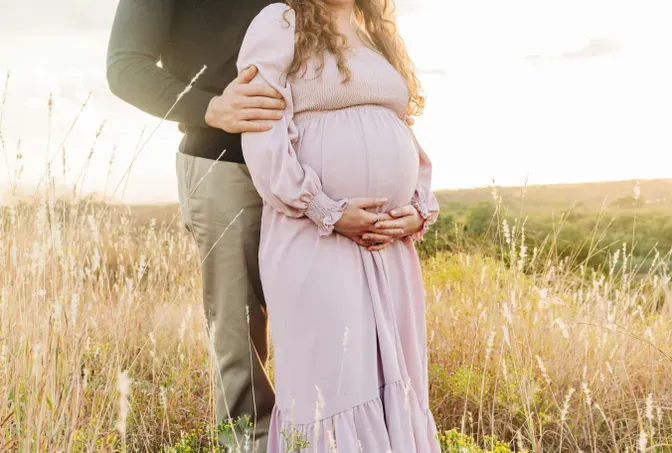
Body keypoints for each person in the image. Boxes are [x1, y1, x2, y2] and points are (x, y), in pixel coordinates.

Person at [105, 1, 427, 450]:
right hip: (224, 163)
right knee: (239, 328)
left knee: (333, 333)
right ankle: (248, 444)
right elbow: (124, 67)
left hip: (314, 176)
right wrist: (210, 107)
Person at [237, 1, 441, 451]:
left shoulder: (376, 29)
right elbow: (261, 132)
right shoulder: (280, 22)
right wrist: (325, 208)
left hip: (389, 247)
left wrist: (418, 209)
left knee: (395, 377)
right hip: (313, 233)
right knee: (330, 384)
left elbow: (402, 131)